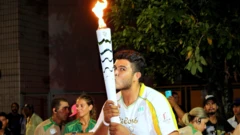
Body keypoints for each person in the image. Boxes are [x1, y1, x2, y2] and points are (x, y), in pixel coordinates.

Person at [91, 50, 179, 135]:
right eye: (114, 68)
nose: (115, 73)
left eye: (122, 69)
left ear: (136, 76)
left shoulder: (155, 100)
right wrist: (105, 122)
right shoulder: (112, 102)